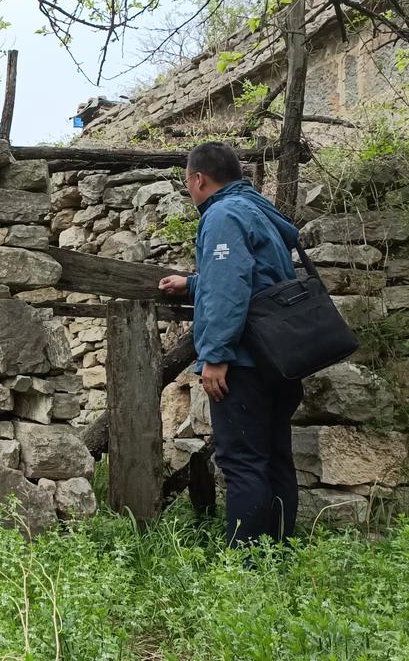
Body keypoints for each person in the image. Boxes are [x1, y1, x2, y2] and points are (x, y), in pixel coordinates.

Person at [158, 142, 304, 546]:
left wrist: (217, 354)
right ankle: (278, 554)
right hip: (280, 357)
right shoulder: (257, 211)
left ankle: (246, 565)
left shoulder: (222, 214)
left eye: (187, 182)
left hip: (244, 362)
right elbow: (257, 278)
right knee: (275, 460)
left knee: (243, 463)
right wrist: (192, 284)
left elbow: (229, 288)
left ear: (198, 179)